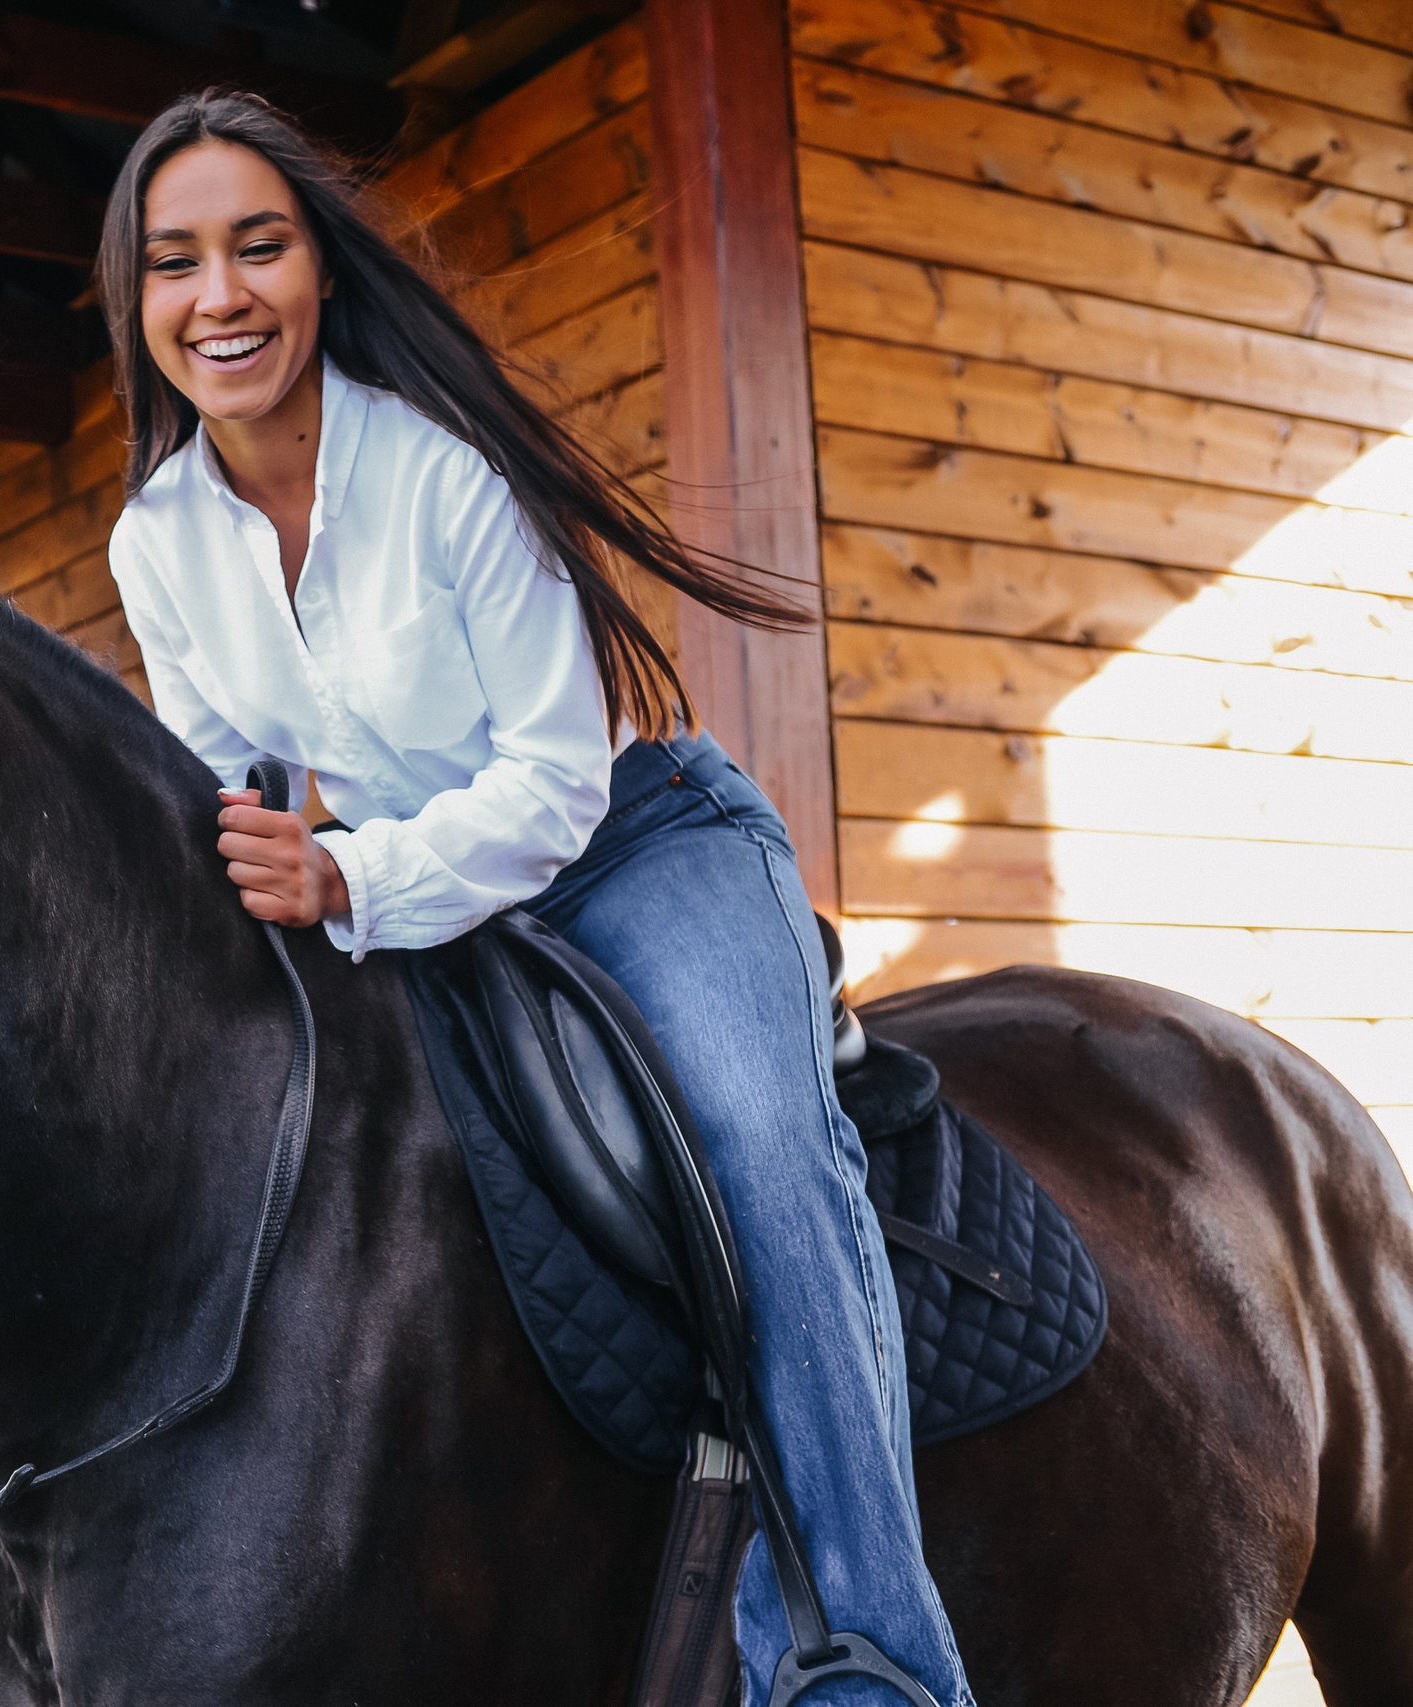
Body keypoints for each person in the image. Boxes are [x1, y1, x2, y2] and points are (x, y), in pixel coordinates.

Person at [98, 91, 974, 1707]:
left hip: (633, 850)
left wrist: (349, 871)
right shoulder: (159, 540)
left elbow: (557, 778)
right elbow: (208, 788)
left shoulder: (439, 477)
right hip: (431, 895)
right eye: (174, 263)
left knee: (758, 1143)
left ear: (321, 272)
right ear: (136, 301)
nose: (217, 296)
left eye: (257, 247)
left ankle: (868, 1660)